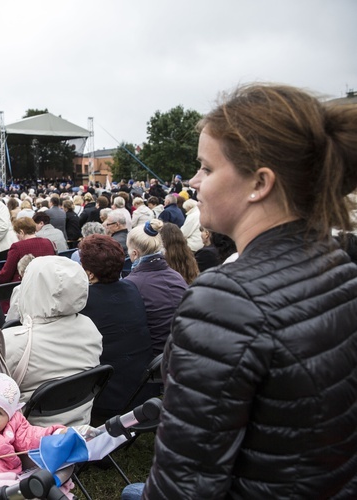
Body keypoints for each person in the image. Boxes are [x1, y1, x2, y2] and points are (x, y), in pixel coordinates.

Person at [137, 84, 357, 498]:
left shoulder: (225, 300)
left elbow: (183, 485)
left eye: (206, 167)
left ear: (259, 182)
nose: (194, 182)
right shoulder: (338, 262)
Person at [3, 256, 102, 426]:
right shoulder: (90, 328)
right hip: (79, 424)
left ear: (30, 287)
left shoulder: (14, 341)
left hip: (31, 436)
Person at [78, 235, 152, 421]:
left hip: (107, 398)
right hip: (141, 390)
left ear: (90, 273)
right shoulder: (131, 288)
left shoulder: (84, 301)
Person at [125, 220, 187, 356]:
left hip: (154, 359)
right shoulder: (176, 276)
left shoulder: (131, 284)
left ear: (134, 254)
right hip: (182, 351)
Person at [0, 217, 55, 285]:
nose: (17, 236)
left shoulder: (17, 247)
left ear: (21, 232)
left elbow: (7, 272)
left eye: (17, 233)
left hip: (23, 285)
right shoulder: (49, 242)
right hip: (47, 282)